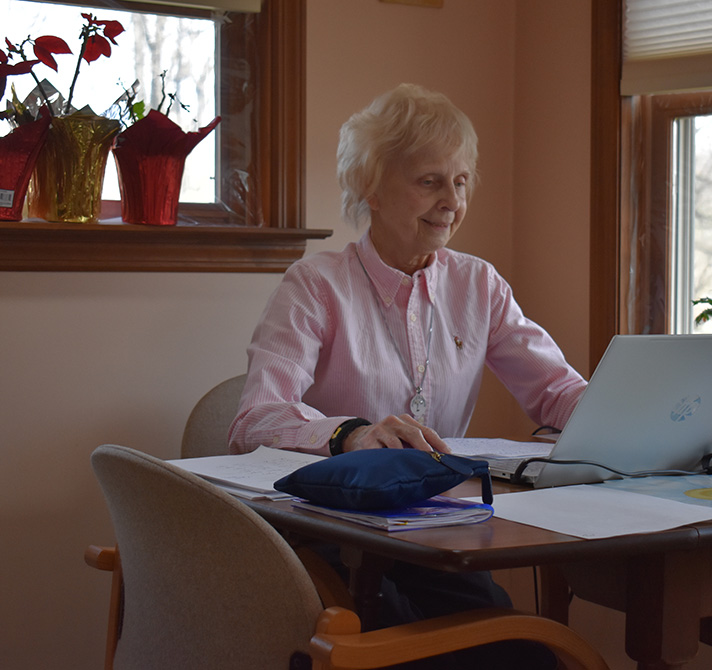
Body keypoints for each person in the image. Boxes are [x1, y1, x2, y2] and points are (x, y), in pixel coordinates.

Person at [228, 83, 587, 669]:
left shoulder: (479, 285)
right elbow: (252, 419)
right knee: (411, 655)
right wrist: (353, 435)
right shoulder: (316, 284)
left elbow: (556, 391)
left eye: (462, 180)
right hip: (331, 540)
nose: (452, 201)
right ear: (369, 187)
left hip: (439, 536)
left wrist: (628, 416)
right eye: (430, 181)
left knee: (524, 657)